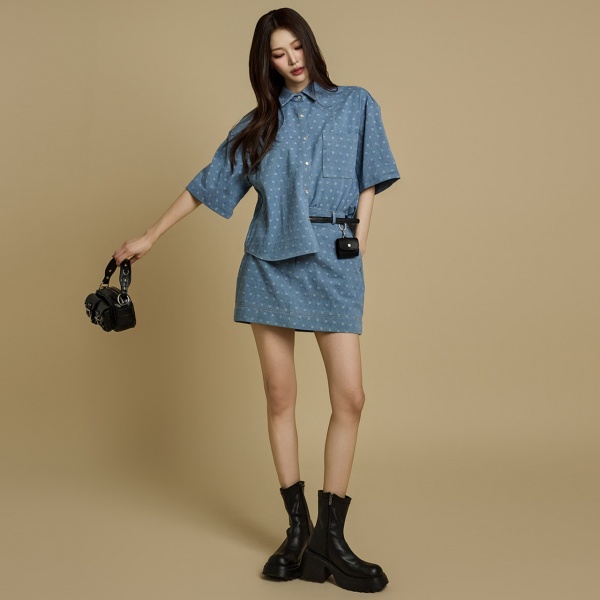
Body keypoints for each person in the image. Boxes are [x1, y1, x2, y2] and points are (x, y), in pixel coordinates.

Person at [113, 7, 399, 594]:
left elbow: (370, 176)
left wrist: (361, 236)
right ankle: (298, 532)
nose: (292, 61)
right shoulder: (258, 125)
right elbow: (206, 185)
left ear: (310, 46)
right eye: (278, 54)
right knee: (279, 395)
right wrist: (149, 236)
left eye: (297, 48)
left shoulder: (356, 103)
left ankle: (330, 541)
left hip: (334, 260)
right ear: (265, 62)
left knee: (350, 397)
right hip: (269, 266)